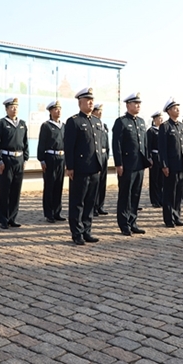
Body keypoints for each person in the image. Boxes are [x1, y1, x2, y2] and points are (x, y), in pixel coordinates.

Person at [64, 87, 106, 245]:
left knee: (90, 202)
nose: (90, 103)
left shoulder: (96, 121)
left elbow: (99, 144)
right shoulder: (74, 121)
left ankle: (87, 230)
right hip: (80, 168)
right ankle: (77, 233)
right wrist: (70, 167)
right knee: (78, 202)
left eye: (92, 100)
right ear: (80, 103)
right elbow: (69, 146)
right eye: (87, 100)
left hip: (94, 167)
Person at [111, 92, 150, 236]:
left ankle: (133, 221)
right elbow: (116, 144)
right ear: (128, 105)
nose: (138, 106)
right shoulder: (121, 122)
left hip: (139, 164)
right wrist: (118, 164)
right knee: (125, 195)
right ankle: (124, 224)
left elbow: (144, 143)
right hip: (127, 165)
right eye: (135, 103)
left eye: (139, 103)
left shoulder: (141, 121)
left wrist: (148, 159)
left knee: (135, 194)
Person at [0, 97, 29, 229]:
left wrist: (25, 158)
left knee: (16, 190)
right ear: (6, 109)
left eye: (16, 107)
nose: (14, 109)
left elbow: (25, 143)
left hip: (19, 159)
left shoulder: (22, 124)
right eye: (12, 107)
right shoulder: (1, 123)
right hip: (6, 160)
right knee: (4, 190)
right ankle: (3, 219)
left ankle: (12, 218)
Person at [158, 98, 183, 227]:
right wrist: (164, 165)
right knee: (170, 193)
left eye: (178, 108)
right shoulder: (165, 126)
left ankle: (177, 216)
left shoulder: (181, 126)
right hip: (171, 165)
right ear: (169, 111)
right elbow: (162, 148)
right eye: (175, 108)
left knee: (179, 193)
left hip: (182, 163)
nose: (178, 110)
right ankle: (168, 218)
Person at [37, 101, 65, 223]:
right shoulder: (46, 126)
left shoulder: (63, 126)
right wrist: (42, 159)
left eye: (59, 109)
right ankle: (49, 213)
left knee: (59, 185)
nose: (58, 111)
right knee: (50, 186)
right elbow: (41, 143)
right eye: (55, 109)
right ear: (50, 111)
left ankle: (57, 211)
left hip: (61, 158)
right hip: (50, 157)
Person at [92, 103, 110, 216]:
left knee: (102, 181)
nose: (100, 113)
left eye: (101, 110)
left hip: (103, 155)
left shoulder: (104, 125)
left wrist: (107, 154)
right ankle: (93, 206)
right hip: (96, 155)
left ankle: (100, 205)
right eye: (98, 110)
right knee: (95, 182)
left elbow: (106, 142)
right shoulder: (92, 123)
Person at [147, 111, 163, 208]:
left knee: (161, 180)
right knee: (154, 179)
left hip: (161, 157)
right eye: (159, 118)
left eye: (162, 118)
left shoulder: (163, 130)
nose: (161, 120)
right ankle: (154, 200)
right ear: (155, 120)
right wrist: (149, 158)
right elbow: (148, 146)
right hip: (154, 156)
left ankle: (161, 199)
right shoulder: (151, 131)